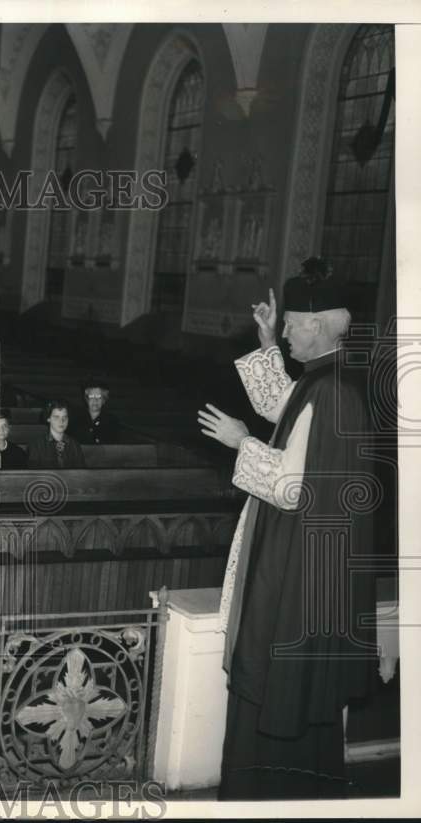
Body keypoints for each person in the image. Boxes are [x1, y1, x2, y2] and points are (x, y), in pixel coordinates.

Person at [199, 260, 376, 800]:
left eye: (295, 323)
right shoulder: (324, 379)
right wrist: (267, 340)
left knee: (276, 675)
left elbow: (296, 487)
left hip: (298, 572)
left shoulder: (333, 391)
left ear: (320, 324)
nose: (291, 332)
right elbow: (284, 409)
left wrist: (239, 442)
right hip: (300, 560)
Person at [27, 401, 86, 469]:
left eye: (65, 417)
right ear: (48, 419)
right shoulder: (36, 445)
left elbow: (81, 473)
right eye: (56, 417)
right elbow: (33, 475)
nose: (61, 421)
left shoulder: (74, 445)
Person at [78, 379, 120, 445]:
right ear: (86, 399)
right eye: (91, 396)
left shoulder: (112, 421)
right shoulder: (76, 419)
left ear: (104, 400)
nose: (95, 400)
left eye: (99, 397)